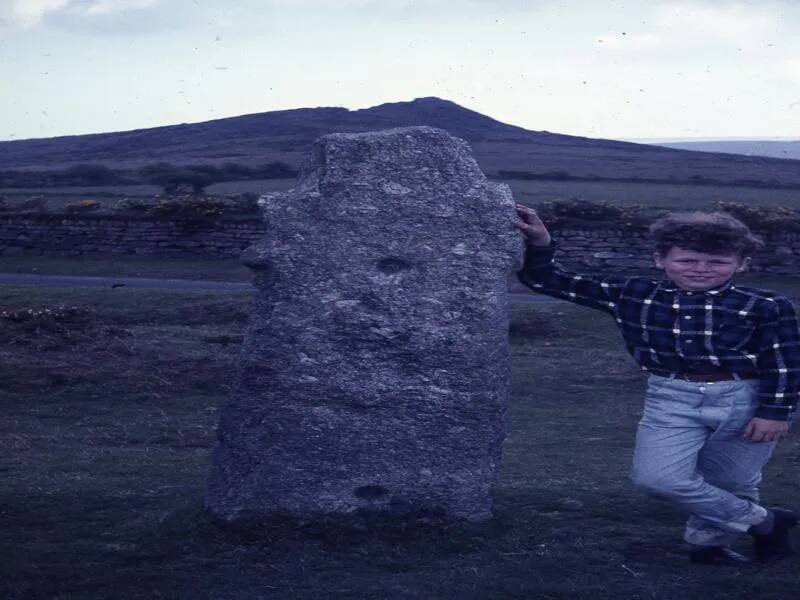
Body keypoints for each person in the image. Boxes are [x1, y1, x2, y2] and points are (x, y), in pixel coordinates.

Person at [514, 203, 799, 566]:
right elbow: (546, 280)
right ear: (660, 259)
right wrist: (541, 242)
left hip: (744, 397)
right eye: (688, 260)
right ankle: (766, 522)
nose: (701, 269)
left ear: (741, 264)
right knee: (657, 478)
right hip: (670, 397)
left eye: (717, 262)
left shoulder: (768, 304)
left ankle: (708, 546)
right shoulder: (633, 294)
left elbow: (785, 362)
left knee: (732, 478)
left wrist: (775, 413)